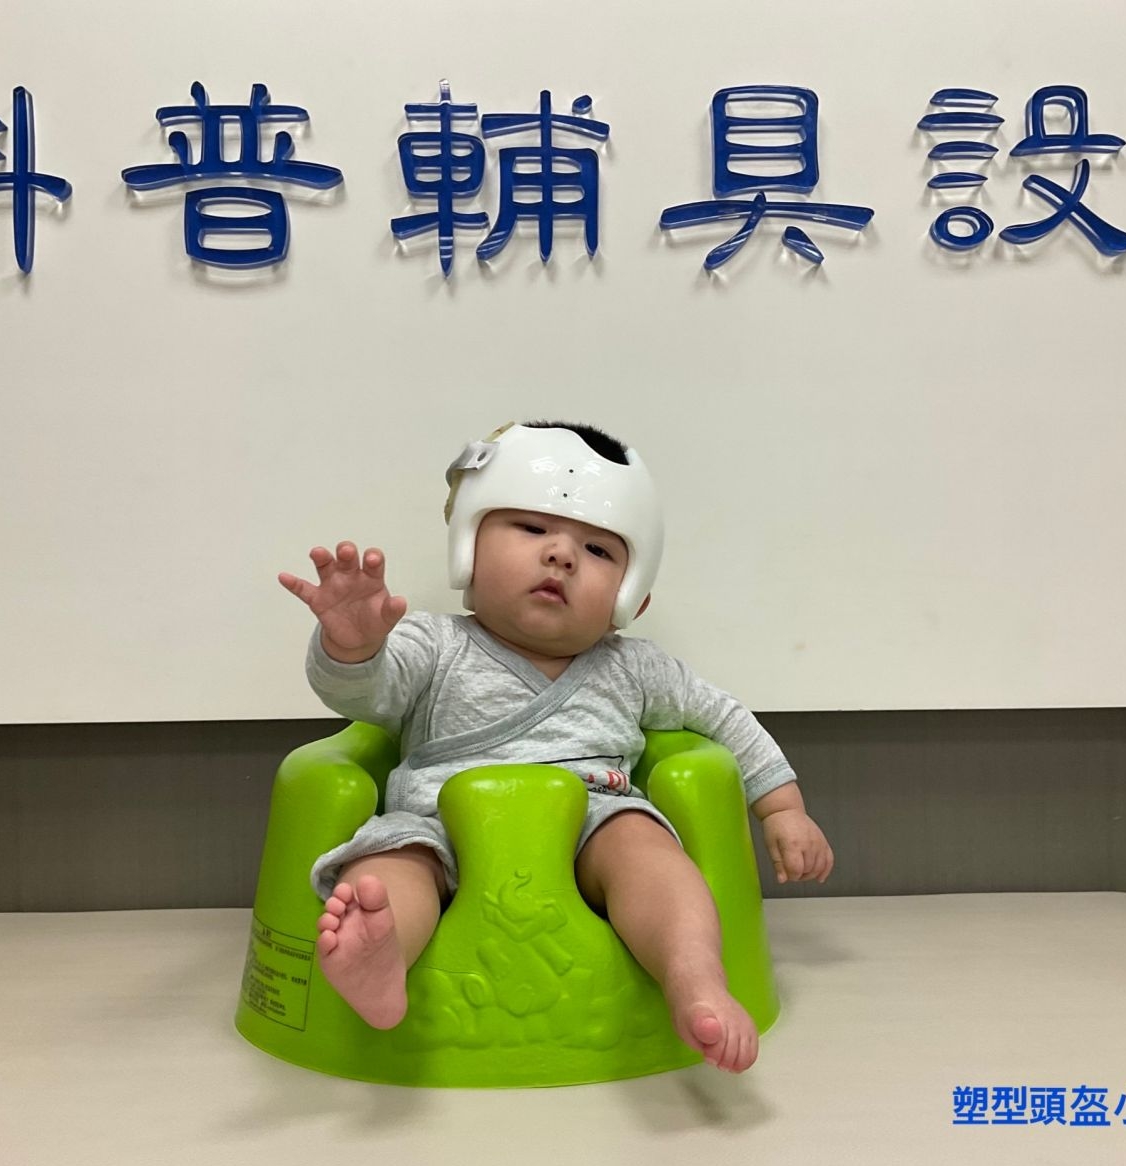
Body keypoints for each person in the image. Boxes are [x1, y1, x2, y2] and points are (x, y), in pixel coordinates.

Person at [277, 421, 833, 1073]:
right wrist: (353, 645)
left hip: (595, 819)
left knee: (651, 857)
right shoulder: (433, 644)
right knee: (390, 870)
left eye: (597, 549)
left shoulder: (636, 667)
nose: (562, 555)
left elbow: (725, 719)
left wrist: (782, 807)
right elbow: (367, 695)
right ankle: (380, 955)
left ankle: (695, 978)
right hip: (437, 824)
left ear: (632, 596)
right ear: (468, 548)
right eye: (532, 528)